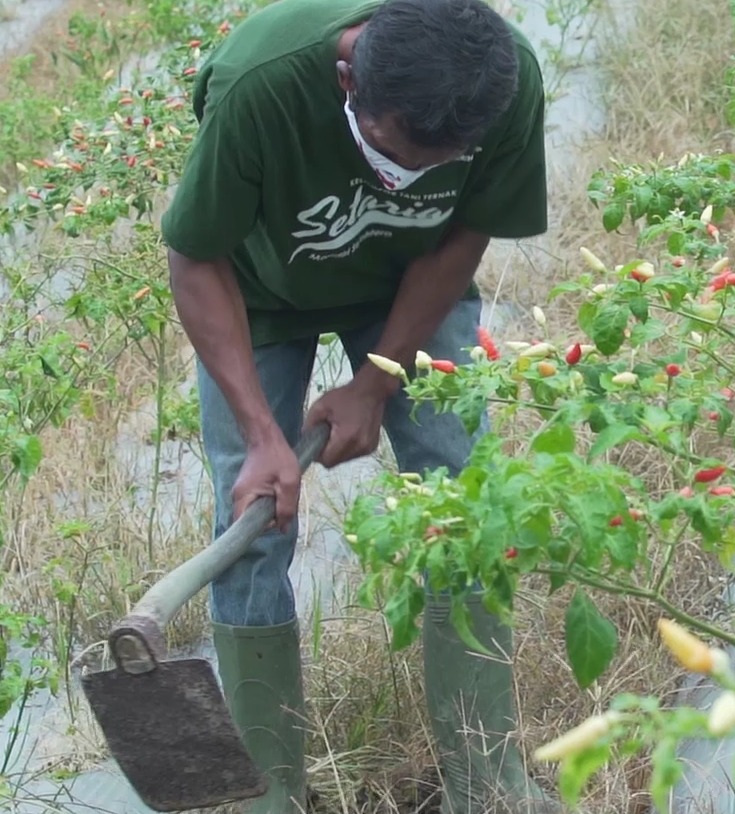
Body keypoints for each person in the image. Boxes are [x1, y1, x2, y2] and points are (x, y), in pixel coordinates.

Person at [159, 0, 559, 811]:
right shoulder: (259, 84)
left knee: (460, 497)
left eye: (436, 164)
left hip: (413, 279)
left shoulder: (500, 79)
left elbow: (466, 231)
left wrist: (375, 383)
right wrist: (264, 434)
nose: (403, 178)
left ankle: (486, 783)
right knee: (253, 518)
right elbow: (195, 257)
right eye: (391, 153)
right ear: (347, 80)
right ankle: (266, 795)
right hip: (261, 295)